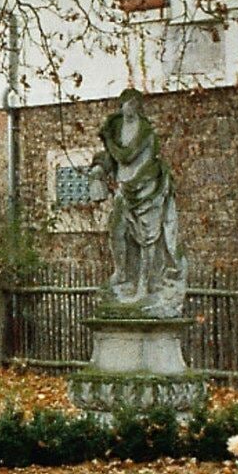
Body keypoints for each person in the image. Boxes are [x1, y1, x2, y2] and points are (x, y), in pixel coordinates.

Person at [92, 89, 185, 316]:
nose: (130, 108)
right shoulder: (116, 129)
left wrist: (109, 142)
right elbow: (110, 157)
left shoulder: (146, 133)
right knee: (117, 231)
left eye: (134, 104)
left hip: (146, 190)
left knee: (148, 239)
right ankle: (122, 273)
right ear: (122, 105)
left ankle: (145, 284)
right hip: (124, 191)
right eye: (127, 103)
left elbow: (128, 156)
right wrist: (99, 168)